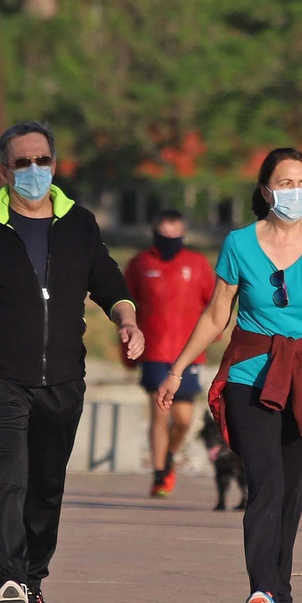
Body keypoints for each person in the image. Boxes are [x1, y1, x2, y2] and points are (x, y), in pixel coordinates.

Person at [0, 122, 143, 603]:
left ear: (55, 163)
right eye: (23, 162)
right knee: (8, 476)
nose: (35, 170)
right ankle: (10, 579)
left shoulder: (79, 223)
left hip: (64, 379)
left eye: (43, 160)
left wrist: (128, 321)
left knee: (46, 483)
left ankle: (33, 580)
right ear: (4, 170)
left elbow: (108, 281)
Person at [156, 147, 302, 603]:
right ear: (266, 189)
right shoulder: (239, 244)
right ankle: (262, 590)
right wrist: (176, 368)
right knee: (265, 481)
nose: (296, 192)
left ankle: (283, 593)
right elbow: (215, 316)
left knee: (292, 489)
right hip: (251, 376)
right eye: (285, 183)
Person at [125, 209, 215, 498]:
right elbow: (126, 305)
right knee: (159, 414)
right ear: (155, 231)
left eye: (176, 232)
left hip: (188, 353)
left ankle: (170, 456)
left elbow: (214, 304)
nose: (170, 238)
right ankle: (160, 472)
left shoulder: (198, 264)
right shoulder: (140, 264)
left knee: (184, 419)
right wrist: (127, 350)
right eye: (165, 232)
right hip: (153, 350)